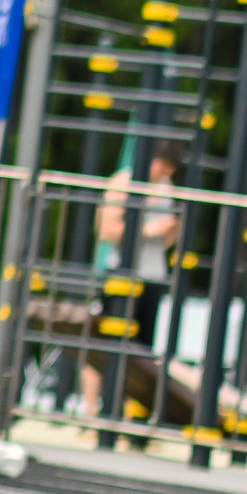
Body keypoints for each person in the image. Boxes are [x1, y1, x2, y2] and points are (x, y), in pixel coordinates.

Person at [76, 143, 182, 424]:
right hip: (119, 273)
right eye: (162, 169)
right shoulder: (122, 183)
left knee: (141, 353)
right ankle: (91, 414)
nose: (164, 176)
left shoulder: (165, 188)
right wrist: (151, 230)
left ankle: (128, 416)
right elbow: (107, 230)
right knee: (104, 346)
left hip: (152, 275)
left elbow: (167, 240)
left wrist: (170, 232)